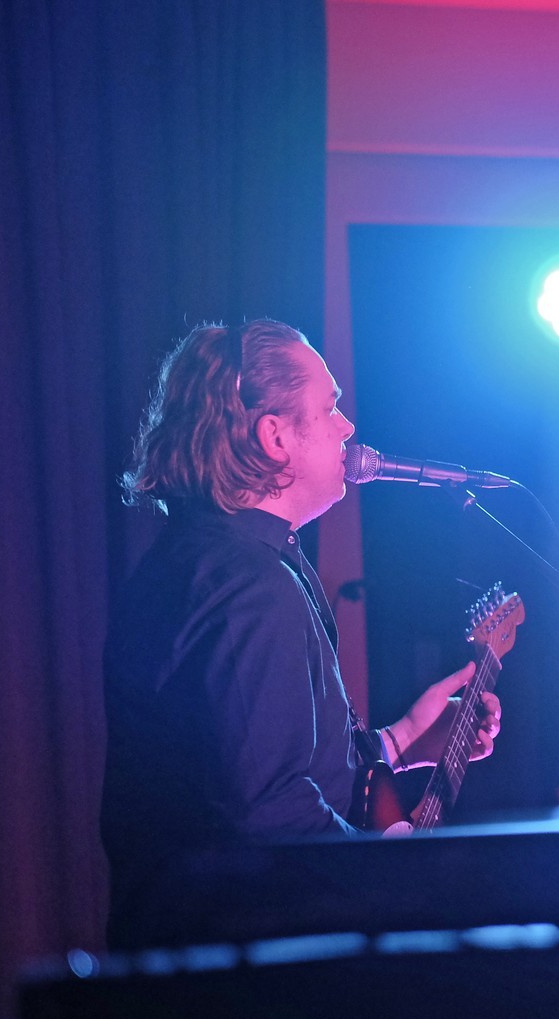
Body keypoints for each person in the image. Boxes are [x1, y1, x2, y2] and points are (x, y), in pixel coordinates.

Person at [103, 318, 502, 946]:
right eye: (330, 407)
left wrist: (404, 739)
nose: (348, 427)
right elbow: (267, 809)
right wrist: (387, 879)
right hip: (241, 971)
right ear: (275, 437)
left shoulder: (212, 561)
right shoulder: (246, 585)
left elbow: (262, 765)